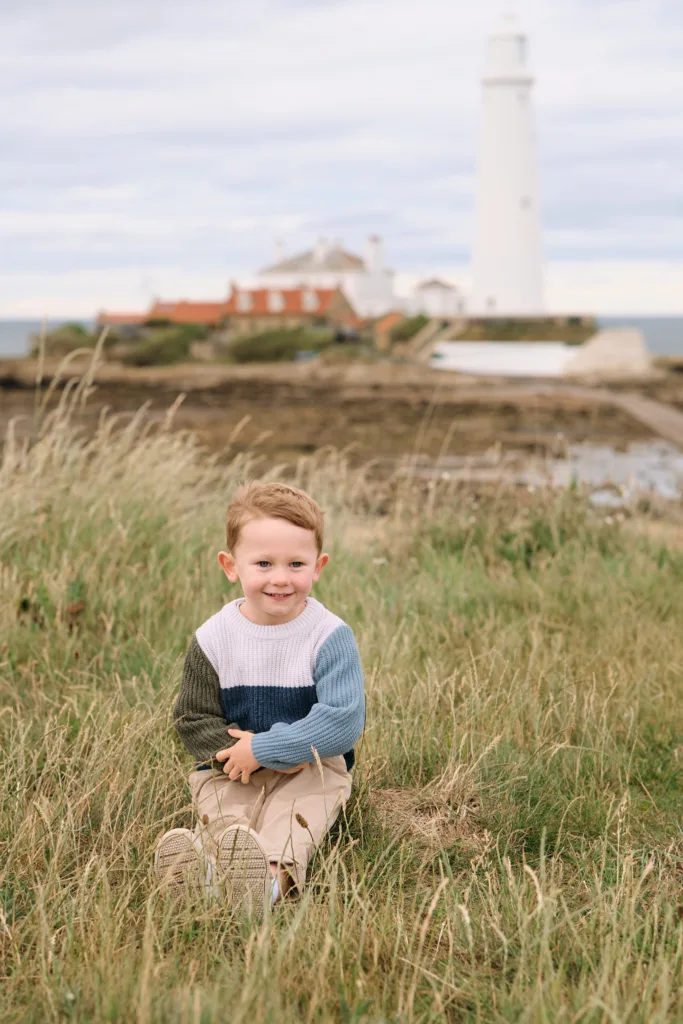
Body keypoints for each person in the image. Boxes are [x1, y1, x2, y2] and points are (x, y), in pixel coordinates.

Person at [154, 481, 365, 914]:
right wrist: (237, 754)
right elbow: (192, 717)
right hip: (232, 767)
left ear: (318, 566)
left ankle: (265, 889)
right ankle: (205, 879)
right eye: (264, 563)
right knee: (228, 825)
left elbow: (343, 721)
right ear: (231, 566)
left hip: (311, 766)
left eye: (296, 563)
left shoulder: (329, 636)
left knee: (291, 828)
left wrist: (265, 748)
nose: (281, 578)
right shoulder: (214, 637)